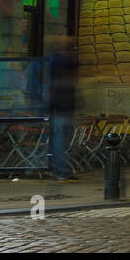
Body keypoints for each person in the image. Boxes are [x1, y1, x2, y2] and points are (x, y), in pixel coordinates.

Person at [47, 35, 78, 182]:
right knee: (60, 140)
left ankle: (56, 168)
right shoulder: (62, 63)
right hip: (62, 108)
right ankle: (61, 170)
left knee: (57, 140)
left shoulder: (55, 63)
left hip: (59, 108)